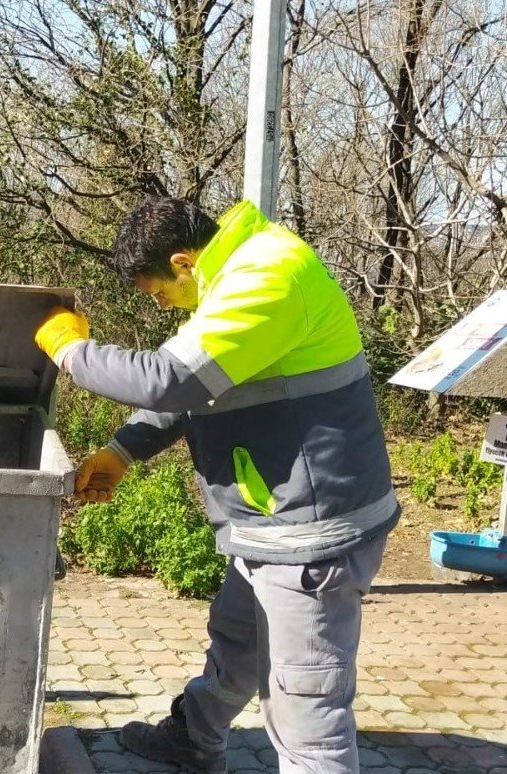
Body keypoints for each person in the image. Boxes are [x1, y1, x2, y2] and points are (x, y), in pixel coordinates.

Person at [34, 197, 397, 774]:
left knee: (305, 706)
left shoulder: (270, 276)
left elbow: (172, 379)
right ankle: (194, 739)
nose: (161, 305)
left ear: (182, 261)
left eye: (159, 292)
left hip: (314, 534)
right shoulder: (233, 276)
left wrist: (71, 351)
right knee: (238, 643)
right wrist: (124, 451)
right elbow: (205, 388)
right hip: (275, 523)